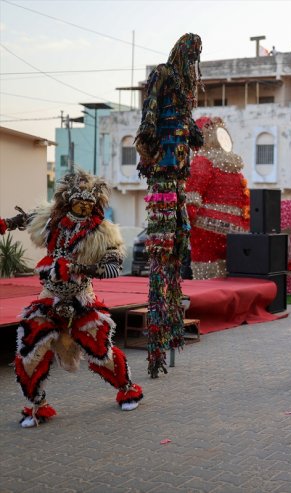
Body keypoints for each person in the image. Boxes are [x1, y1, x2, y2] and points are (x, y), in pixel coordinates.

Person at [0, 169, 144, 428]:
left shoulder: (103, 231)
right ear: (68, 199)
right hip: (49, 298)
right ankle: (37, 404)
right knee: (30, 351)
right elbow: (25, 218)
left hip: (81, 299)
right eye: (80, 200)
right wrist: (7, 223)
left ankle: (127, 388)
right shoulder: (51, 218)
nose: (84, 205)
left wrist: (81, 268)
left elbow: (113, 267)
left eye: (90, 202)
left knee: (101, 351)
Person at [135, 33, 205, 376]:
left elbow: (183, 115)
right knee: (162, 252)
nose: (194, 59)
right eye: (192, 53)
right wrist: (148, 134)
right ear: (182, 49)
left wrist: (193, 130)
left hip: (179, 171)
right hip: (163, 166)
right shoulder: (163, 73)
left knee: (177, 248)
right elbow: (150, 109)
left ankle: (169, 332)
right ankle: (155, 347)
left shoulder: (187, 85)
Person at [185, 117, 250, 279]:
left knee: (206, 277)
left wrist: (183, 228)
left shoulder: (202, 162)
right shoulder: (234, 168)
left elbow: (191, 200)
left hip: (206, 232)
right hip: (236, 232)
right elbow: (245, 201)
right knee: (228, 277)